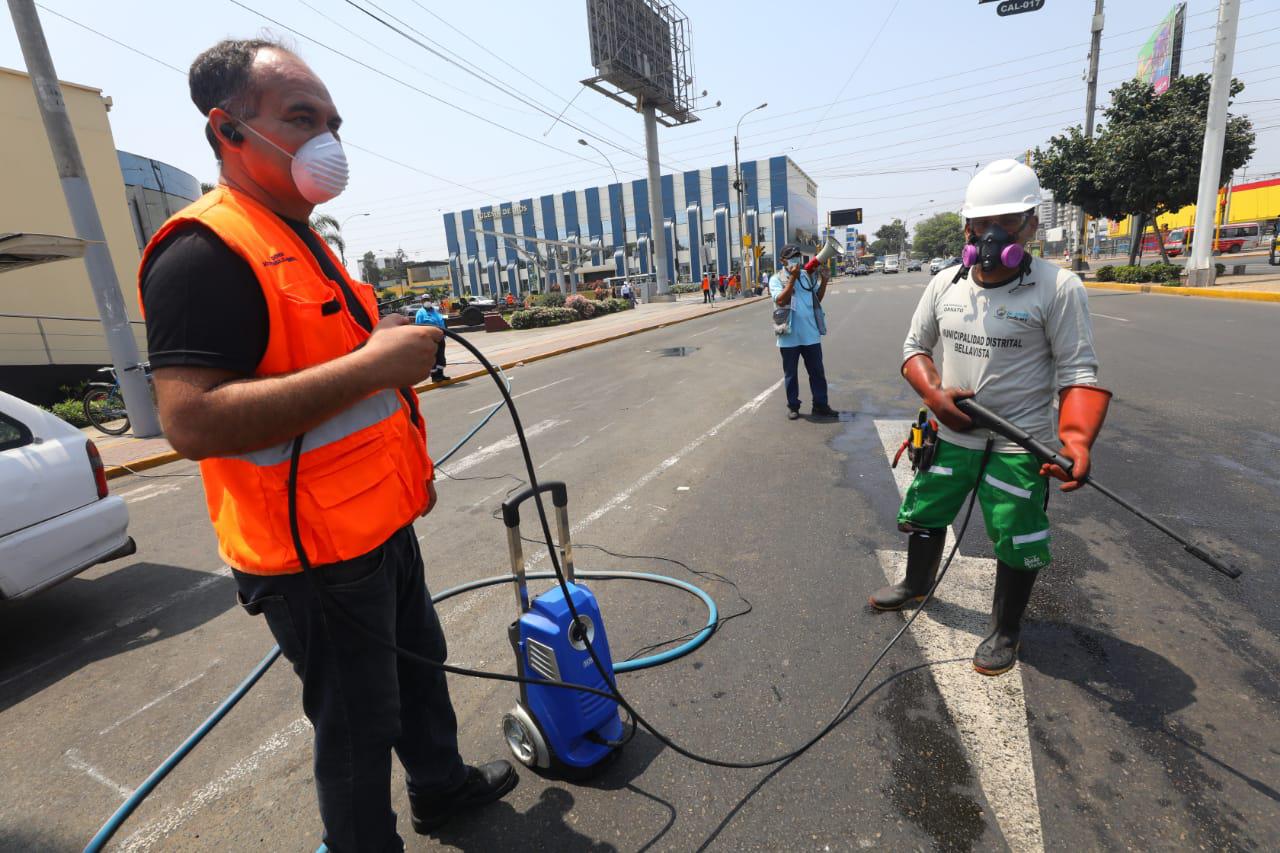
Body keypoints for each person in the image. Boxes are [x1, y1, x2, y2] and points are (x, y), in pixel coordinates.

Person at [138, 39, 515, 850]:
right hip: (311, 556)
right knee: (356, 724)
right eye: (301, 119)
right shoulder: (204, 251)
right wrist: (375, 363)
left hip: (378, 524)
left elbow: (334, 372)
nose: (326, 141)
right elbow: (191, 421)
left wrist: (384, 355)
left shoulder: (301, 236)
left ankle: (441, 787)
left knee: (419, 670)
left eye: (333, 123)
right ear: (228, 130)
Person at [869, 159, 1110, 677]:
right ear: (967, 228)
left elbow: (1078, 373)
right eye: (981, 223)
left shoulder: (1058, 288)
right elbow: (914, 349)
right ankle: (916, 584)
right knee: (926, 509)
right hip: (952, 433)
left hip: (1020, 442)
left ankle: (1005, 630)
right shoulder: (945, 283)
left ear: (1031, 225)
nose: (992, 234)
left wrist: (1076, 441)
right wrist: (935, 397)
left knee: (1016, 531)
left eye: (1007, 221)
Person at [769, 244, 836, 420]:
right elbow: (781, 301)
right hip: (789, 336)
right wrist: (792, 278)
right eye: (792, 257)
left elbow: (817, 299)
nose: (796, 259)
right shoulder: (776, 279)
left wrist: (824, 281)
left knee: (817, 373)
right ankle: (793, 406)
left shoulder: (807, 276)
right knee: (791, 374)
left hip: (810, 334)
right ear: (782, 260)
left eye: (797, 256)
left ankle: (820, 405)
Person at [415, 301, 449, 382]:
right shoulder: (420, 313)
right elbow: (418, 327)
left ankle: (440, 374)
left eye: (428, 299)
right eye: (425, 299)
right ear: (422, 301)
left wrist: (445, 313)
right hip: (430, 339)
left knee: (441, 357)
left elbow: (443, 318)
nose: (427, 301)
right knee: (433, 358)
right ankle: (434, 377)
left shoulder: (435, 310)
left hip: (440, 337)